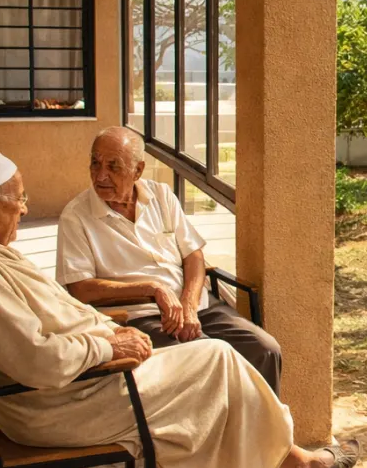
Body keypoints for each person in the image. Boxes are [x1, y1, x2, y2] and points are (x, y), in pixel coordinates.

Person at [0, 147, 359, 468]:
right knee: (217, 365)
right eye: (21, 199)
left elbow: (44, 329)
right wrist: (109, 344)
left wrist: (113, 330)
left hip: (77, 383)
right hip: (60, 402)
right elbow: (39, 360)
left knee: (226, 362)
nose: (25, 209)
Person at [55, 127, 282, 395]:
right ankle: (226, 422)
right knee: (210, 358)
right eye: (95, 163)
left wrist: (188, 306)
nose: (100, 175)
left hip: (197, 306)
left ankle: (262, 422)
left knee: (265, 350)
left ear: (138, 170)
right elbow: (80, 289)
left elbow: (193, 255)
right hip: (142, 315)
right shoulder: (76, 216)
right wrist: (153, 289)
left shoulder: (161, 195)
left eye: (113, 166)